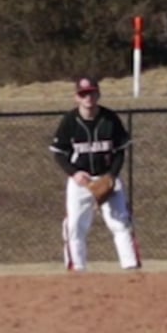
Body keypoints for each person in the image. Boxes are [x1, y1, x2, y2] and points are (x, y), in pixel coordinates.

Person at [50, 76, 141, 272]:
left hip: (107, 177)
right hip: (81, 182)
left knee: (121, 222)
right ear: (76, 97)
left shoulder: (110, 119)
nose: (88, 97)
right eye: (83, 94)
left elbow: (119, 151)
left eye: (91, 92)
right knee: (75, 226)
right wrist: (74, 173)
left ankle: (131, 267)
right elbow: (59, 153)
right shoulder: (69, 121)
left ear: (98, 94)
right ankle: (77, 269)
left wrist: (112, 176)